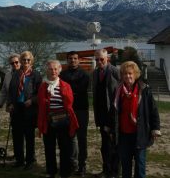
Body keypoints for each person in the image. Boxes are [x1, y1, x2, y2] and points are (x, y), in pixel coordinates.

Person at [111, 61, 161, 178]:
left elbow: (153, 110)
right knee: (126, 167)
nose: (127, 76)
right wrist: (110, 128)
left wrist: (155, 128)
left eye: (130, 73)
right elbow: (113, 112)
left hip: (140, 134)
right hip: (123, 135)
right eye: (124, 74)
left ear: (135, 74)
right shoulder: (118, 91)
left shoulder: (144, 90)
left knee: (140, 166)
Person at [38, 60, 79, 178]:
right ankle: (51, 172)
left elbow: (70, 102)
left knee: (65, 148)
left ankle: (65, 172)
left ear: (59, 70)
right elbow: (41, 104)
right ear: (47, 70)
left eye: (55, 69)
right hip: (49, 121)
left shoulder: (65, 85)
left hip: (63, 120)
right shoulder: (43, 86)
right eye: (51, 69)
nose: (53, 71)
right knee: (49, 148)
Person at [8, 50, 42, 169]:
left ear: (31, 61)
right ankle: (19, 160)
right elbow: (11, 90)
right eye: (24, 60)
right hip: (17, 108)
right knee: (17, 136)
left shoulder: (36, 75)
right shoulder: (16, 74)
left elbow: (40, 93)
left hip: (29, 109)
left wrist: (32, 100)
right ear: (21, 61)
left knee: (29, 136)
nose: (26, 62)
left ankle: (30, 161)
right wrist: (10, 103)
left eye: (28, 60)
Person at [59, 51, 90, 176]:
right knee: (68, 138)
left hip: (81, 109)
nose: (73, 60)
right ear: (67, 60)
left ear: (79, 60)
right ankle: (71, 164)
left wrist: (68, 89)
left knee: (82, 138)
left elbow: (81, 89)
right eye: (70, 58)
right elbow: (61, 89)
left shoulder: (85, 75)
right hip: (66, 109)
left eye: (75, 58)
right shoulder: (62, 74)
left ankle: (82, 165)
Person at [92, 48, 120, 178]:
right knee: (105, 145)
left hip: (113, 114)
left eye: (101, 59)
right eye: (96, 59)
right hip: (101, 114)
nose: (99, 61)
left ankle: (114, 172)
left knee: (114, 144)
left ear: (107, 58)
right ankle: (106, 170)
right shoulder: (95, 73)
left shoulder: (114, 71)